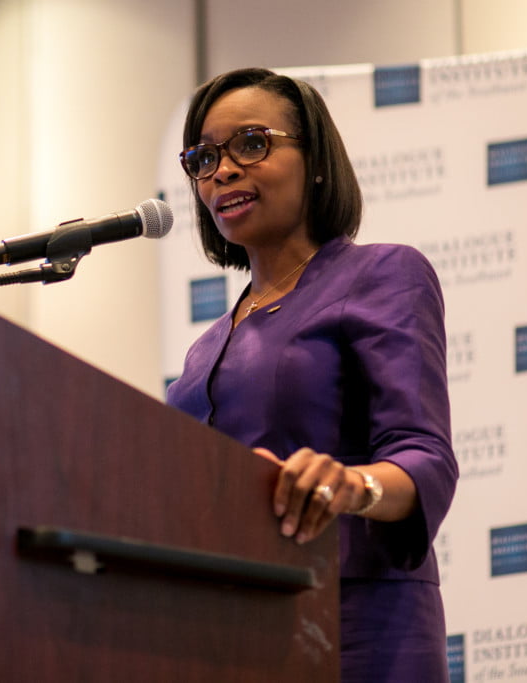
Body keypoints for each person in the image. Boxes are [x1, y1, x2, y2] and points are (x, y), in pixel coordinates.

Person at [165, 67, 459, 682]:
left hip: (357, 629)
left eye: (251, 143)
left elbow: (424, 456)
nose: (222, 171)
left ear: (316, 160)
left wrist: (352, 486)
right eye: (203, 157)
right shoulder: (203, 351)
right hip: (226, 634)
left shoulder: (381, 275)